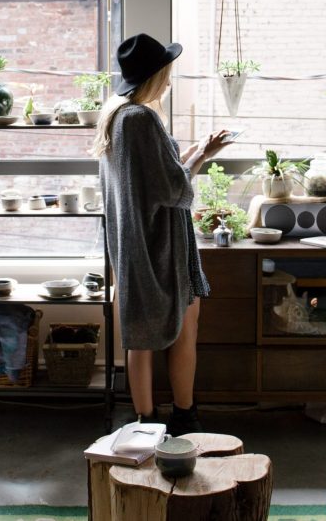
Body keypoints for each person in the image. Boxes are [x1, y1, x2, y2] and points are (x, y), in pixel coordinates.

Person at [92, 33, 232, 436]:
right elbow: (172, 190)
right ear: (154, 76)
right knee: (186, 330)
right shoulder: (144, 119)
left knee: (138, 336)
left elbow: (156, 176)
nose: (170, 81)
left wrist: (194, 152)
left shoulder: (117, 117)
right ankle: (185, 416)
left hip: (134, 248)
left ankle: (145, 423)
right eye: (167, 73)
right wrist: (203, 157)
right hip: (163, 248)